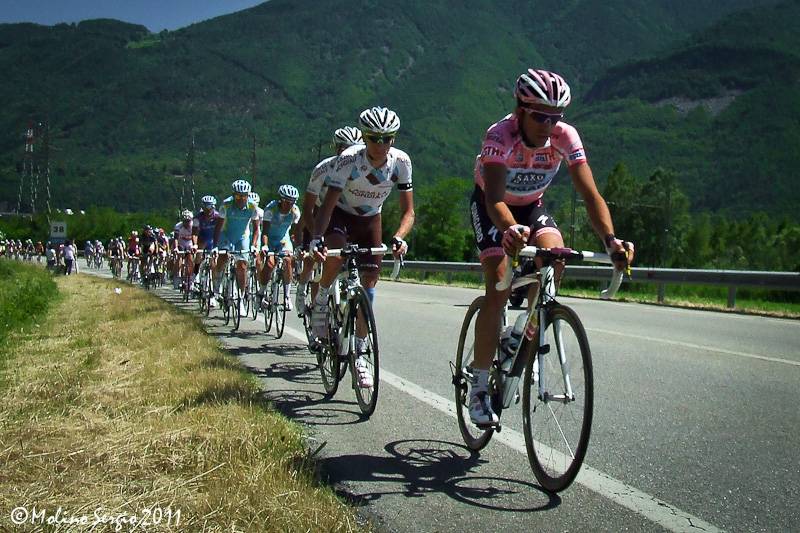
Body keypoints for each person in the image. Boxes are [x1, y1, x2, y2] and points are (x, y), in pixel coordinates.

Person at [467, 68, 635, 426]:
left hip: (531, 206)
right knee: (498, 287)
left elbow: (591, 195)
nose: (549, 125)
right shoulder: (500, 135)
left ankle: (516, 335)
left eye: (556, 117)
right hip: (493, 207)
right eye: (541, 116)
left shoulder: (565, 137)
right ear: (521, 110)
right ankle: (478, 388)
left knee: (555, 255)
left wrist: (611, 240)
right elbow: (495, 197)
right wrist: (509, 229)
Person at [312, 106, 415, 388]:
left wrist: (399, 237)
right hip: (340, 216)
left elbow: (409, 212)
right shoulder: (348, 160)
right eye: (373, 138)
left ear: (393, 138)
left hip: (370, 220)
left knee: (369, 283)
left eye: (387, 138)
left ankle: (360, 352)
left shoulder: (401, 162)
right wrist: (317, 238)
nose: (380, 144)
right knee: (335, 256)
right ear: (364, 137)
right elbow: (328, 203)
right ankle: (321, 299)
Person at [295, 126, 363, 314]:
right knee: (315, 262)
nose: (350, 154)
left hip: (344, 218)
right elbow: (307, 209)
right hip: (319, 216)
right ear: (336, 149)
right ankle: (304, 293)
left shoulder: (363, 171)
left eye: (355, 149)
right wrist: (317, 237)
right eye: (345, 149)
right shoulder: (323, 170)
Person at [212, 179, 260, 316]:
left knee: (243, 265)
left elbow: (256, 229)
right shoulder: (226, 205)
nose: (240, 199)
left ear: (248, 195)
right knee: (224, 256)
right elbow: (218, 227)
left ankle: (240, 298)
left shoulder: (253, 206)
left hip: (242, 236)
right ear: (233, 195)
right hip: (226, 234)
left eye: (244, 196)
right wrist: (215, 246)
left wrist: (254, 245)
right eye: (237, 196)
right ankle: (218, 283)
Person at [259, 185, 301, 311]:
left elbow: (298, 231)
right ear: (280, 200)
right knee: (270, 264)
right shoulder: (270, 209)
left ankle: (287, 296)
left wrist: (298, 247)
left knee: (288, 261)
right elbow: (265, 231)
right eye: (287, 201)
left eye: (292, 202)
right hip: (270, 239)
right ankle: (261, 292)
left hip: (283, 239)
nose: (289, 205)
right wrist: (265, 246)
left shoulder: (295, 211)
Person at [193, 195, 220, 306]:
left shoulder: (218, 217)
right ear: (202, 207)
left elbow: (221, 231)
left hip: (214, 240)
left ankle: (213, 291)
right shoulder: (197, 218)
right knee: (200, 249)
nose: (208, 209)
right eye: (206, 206)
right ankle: (196, 274)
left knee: (213, 264)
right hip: (202, 238)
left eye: (211, 206)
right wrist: (194, 245)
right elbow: (194, 233)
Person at [172, 209, 197, 290]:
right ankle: (177, 277)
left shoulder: (193, 225)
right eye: (185, 221)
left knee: (191, 259)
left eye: (188, 221)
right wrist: (175, 248)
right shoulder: (178, 226)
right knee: (179, 255)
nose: (187, 223)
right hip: (181, 242)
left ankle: (190, 279)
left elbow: (194, 236)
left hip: (189, 242)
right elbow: (176, 238)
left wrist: (195, 245)